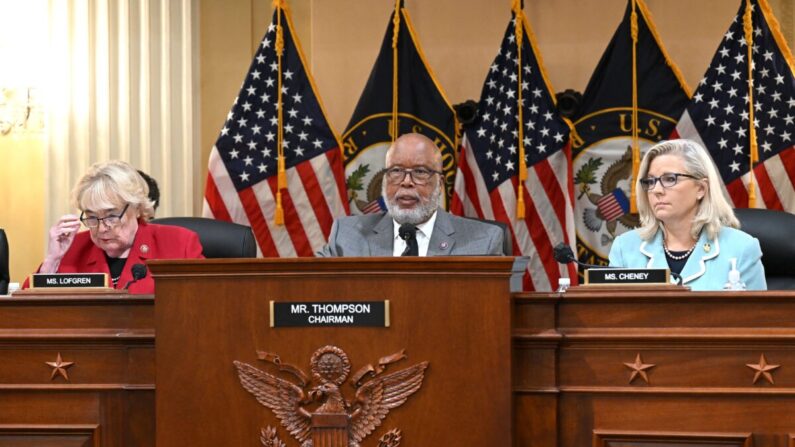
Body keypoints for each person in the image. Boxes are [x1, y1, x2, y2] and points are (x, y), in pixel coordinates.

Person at [23, 160, 203, 294]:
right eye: (92, 217)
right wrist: (52, 260)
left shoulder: (180, 244)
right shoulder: (73, 248)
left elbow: (207, 304)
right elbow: (28, 314)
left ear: (137, 207)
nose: (101, 229)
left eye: (111, 216)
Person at [608, 139, 766, 290]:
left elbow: (758, 317)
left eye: (669, 179)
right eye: (650, 181)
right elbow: (612, 315)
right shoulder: (625, 248)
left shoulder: (742, 248)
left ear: (701, 189)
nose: (656, 190)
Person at [318, 133, 505, 257]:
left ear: (439, 184)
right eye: (396, 170)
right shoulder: (346, 237)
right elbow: (311, 292)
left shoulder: (484, 242)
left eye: (420, 172)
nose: (406, 181)